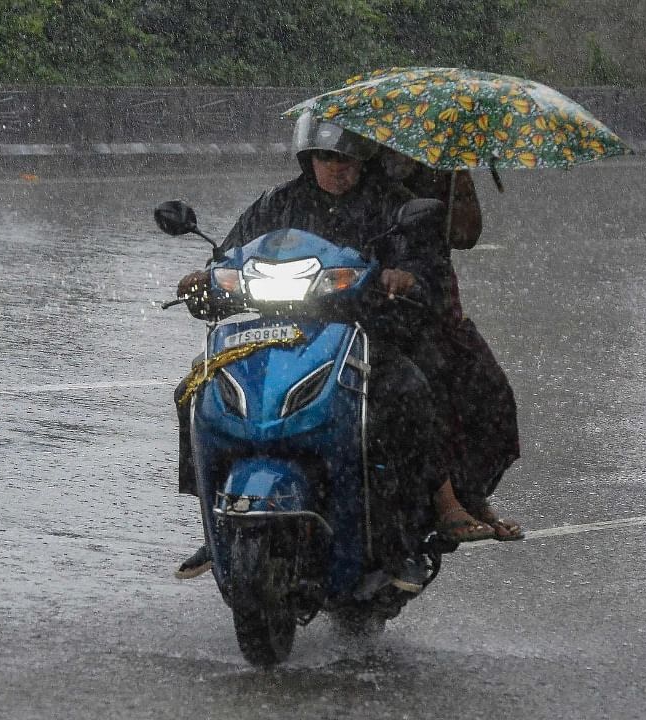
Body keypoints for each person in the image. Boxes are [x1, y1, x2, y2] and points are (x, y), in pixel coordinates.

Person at [171, 112, 470, 591]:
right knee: (194, 388)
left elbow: (424, 266)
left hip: (363, 334)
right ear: (308, 158)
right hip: (274, 335)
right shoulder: (277, 203)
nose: (337, 168)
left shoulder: (391, 205)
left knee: (408, 391)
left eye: (346, 158)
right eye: (326, 157)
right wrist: (206, 279)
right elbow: (229, 256)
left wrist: (402, 277)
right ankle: (214, 522)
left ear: (363, 160)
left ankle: (404, 540)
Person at [378, 150, 524, 541]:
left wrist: (458, 178)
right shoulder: (360, 174)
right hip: (376, 306)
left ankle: (470, 493)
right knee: (422, 391)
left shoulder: (441, 168)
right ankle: (445, 501)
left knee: (491, 397)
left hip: (433, 301)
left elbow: (465, 235)